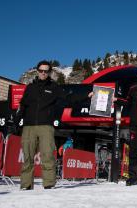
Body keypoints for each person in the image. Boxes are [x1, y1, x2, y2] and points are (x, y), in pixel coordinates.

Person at [16, 60, 87, 190]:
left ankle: (48, 184)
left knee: (48, 156)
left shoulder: (54, 87)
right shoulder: (30, 88)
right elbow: (23, 105)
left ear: (49, 72)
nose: (43, 73)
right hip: (29, 127)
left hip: (46, 127)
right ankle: (26, 185)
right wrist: (17, 121)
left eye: (46, 71)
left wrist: (85, 96)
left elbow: (68, 99)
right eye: (41, 71)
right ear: (37, 71)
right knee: (27, 157)